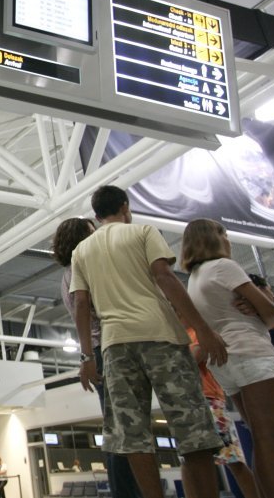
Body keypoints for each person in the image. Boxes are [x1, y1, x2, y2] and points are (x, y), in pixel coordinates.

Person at [70, 185, 226, 498]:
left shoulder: (81, 251)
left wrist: (87, 358)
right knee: (192, 426)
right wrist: (203, 329)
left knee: (132, 434)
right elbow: (165, 277)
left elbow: (81, 305)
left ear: (97, 215)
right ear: (125, 206)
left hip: (115, 346)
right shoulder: (142, 231)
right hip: (161, 336)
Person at [181, 218, 274, 498]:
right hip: (251, 353)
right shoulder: (225, 267)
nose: (228, 239)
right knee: (270, 439)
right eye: (223, 233)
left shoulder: (195, 278)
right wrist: (259, 303)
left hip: (225, 364)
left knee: (260, 439)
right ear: (214, 238)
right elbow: (272, 315)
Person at [51, 218, 141, 498]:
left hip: (103, 350)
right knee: (123, 428)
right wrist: (86, 355)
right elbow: (86, 308)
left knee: (119, 427)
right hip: (108, 348)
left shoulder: (70, 273)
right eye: (92, 233)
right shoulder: (80, 270)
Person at [184, 327, 259, 498]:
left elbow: (196, 355)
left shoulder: (197, 331)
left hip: (209, 399)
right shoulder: (175, 333)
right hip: (185, 403)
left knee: (231, 458)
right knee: (188, 460)